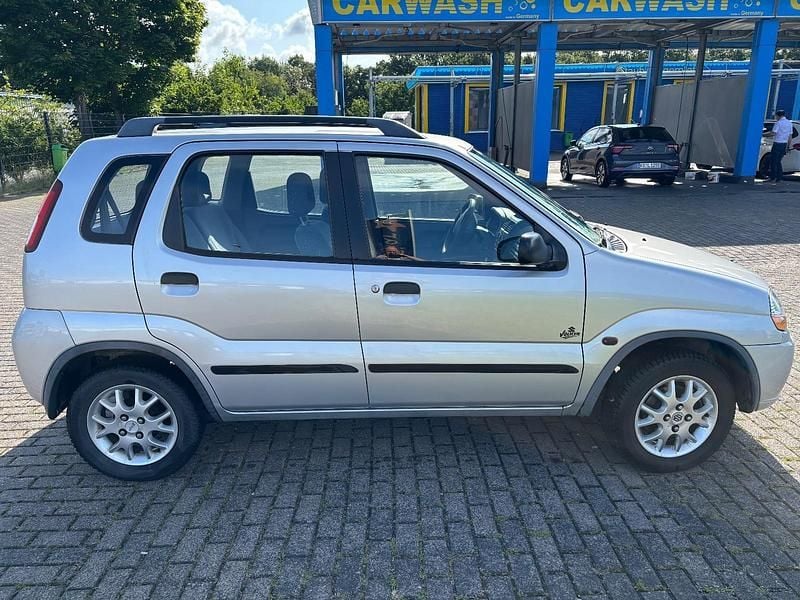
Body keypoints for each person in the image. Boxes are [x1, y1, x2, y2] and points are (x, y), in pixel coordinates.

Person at [768, 109, 792, 182]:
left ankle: (772, 177)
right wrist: (788, 146)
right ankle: (779, 177)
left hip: (777, 143)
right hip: (784, 144)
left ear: (778, 115)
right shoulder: (789, 123)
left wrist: (763, 134)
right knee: (778, 161)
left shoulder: (778, 123)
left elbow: (773, 133)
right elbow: (790, 136)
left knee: (773, 161)